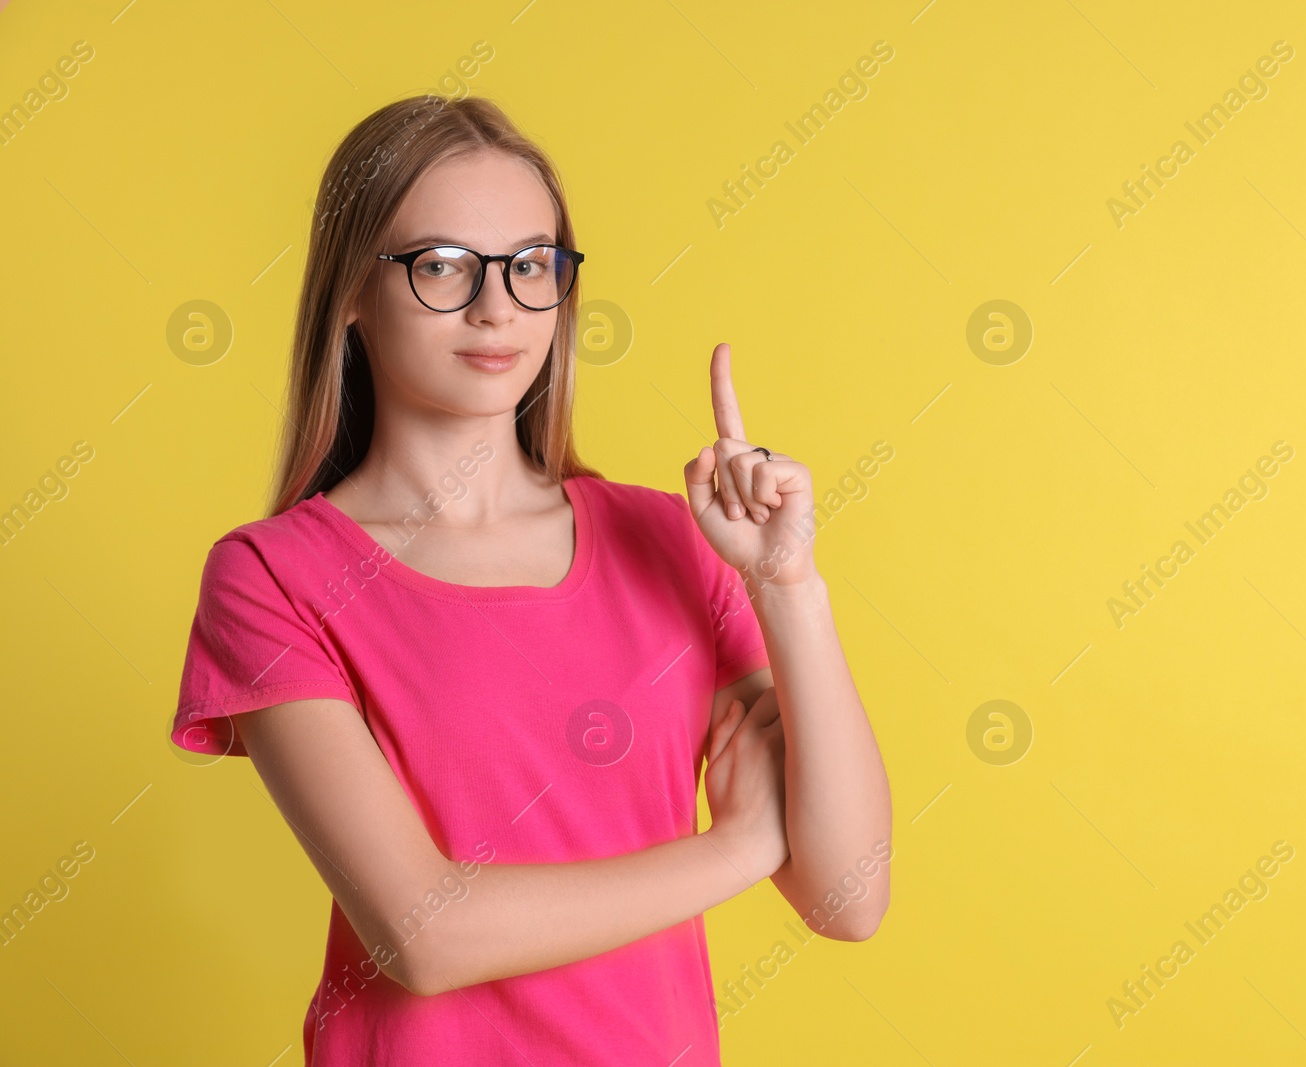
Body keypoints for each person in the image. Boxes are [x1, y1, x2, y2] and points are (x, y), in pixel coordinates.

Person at [168, 94, 892, 1066]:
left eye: (530, 265)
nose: (497, 306)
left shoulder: (670, 543)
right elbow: (424, 934)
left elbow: (848, 897)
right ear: (349, 291)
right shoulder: (273, 577)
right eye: (441, 266)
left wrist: (788, 587)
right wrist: (737, 849)